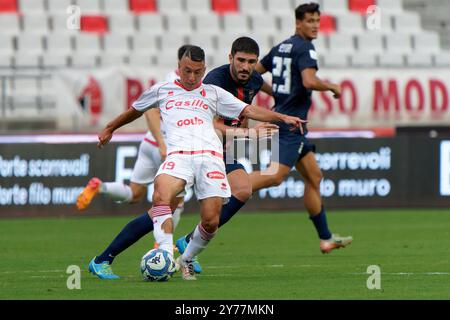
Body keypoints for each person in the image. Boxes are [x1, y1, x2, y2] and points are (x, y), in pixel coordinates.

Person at [95, 45, 304, 280]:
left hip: (211, 158)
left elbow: (250, 110)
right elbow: (135, 110)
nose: (192, 77)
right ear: (178, 68)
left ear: (204, 70)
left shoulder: (213, 92)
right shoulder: (162, 90)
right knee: (161, 197)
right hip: (180, 156)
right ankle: (162, 254)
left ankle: (185, 259)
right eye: (186, 71)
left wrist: (282, 116)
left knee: (211, 220)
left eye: (197, 72)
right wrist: (110, 127)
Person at [249, 2, 353, 253]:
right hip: (291, 124)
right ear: (298, 22)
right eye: (310, 21)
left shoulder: (281, 47)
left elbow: (253, 72)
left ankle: (326, 237)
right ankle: (225, 187)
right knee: (275, 176)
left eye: (318, 20)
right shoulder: (306, 47)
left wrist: (273, 91)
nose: (315, 25)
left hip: (293, 123)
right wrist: (331, 87)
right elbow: (308, 80)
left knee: (314, 176)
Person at [175, 37, 277, 257]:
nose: (245, 66)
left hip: (219, 151)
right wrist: (247, 132)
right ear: (230, 57)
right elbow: (209, 123)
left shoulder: (254, 80)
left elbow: (247, 105)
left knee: (243, 190)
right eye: (241, 60)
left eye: (251, 62)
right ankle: (107, 257)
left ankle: (189, 242)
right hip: (195, 148)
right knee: (160, 206)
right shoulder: (214, 81)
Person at [76, 45, 194, 232]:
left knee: (134, 194)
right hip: (166, 146)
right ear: (182, 65)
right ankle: (161, 245)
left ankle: (100, 187)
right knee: (176, 200)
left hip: (148, 142)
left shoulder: (168, 79)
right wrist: (163, 145)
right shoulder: (178, 85)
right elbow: (151, 112)